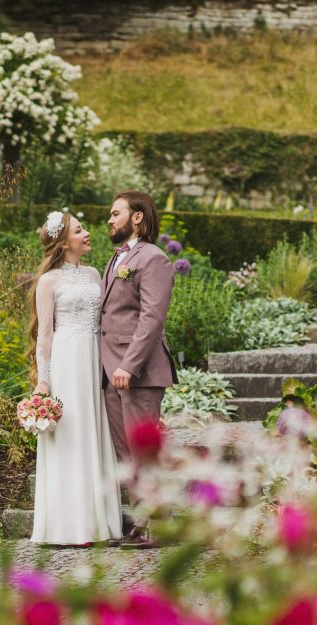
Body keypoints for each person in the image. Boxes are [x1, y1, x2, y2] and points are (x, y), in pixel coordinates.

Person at [29, 211, 123, 545]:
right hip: (67, 360)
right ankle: (70, 526)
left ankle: (100, 523)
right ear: (63, 242)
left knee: (94, 431)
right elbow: (45, 335)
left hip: (95, 358)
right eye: (79, 230)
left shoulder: (96, 274)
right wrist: (44, 379)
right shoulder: (48, 281)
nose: (87, 234)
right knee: (70, 436)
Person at [100, 190, 177, 547]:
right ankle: (142, 520)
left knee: (143, 452)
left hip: (139, 374)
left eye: (116, 213)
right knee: (125, 454)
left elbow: (151, 319)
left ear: (137, 217)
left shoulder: (155, 259)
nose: (110, 220)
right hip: (110, 372)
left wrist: (129, 366)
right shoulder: (117, 258)